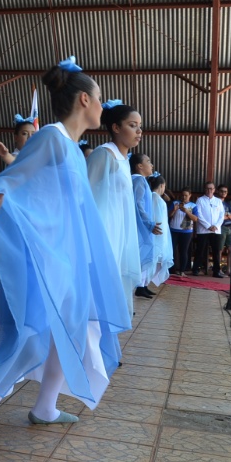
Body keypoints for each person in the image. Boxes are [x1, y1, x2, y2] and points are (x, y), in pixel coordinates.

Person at [0, 57, 130, 462]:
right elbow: (16, 179)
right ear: (85, 100)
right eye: (99, 98)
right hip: (45, 263)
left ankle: (45, 407)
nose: (103, 105)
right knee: (26, 343)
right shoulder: (51, 136)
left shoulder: (74, 151)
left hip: (66, 263)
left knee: (72, 333)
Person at [86, 100, 142, 320]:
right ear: (116, 128)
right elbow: (85, 193)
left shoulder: (124, 159)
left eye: (139, 126)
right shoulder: (104, 154)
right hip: (104, 232)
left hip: (120, 231)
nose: (138, 131)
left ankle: (106, 344)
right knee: (100, 286)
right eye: (132, 125)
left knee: (115, 285)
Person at [129, 153, 161, 299]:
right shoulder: (139, 181)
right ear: (139, 166)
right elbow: (138, 205)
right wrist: (149, 224)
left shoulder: (141, 181)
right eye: (148, 161)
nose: (151, 165)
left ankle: (141, 286)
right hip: (139, 227)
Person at [147, 173, 173, 288]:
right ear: (162, 185)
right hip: (158, 232)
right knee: (153, 258)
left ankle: (145, 284)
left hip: (160, 231)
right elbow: (157, 217)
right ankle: (143, 284)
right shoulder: (155, 198)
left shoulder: (156, 198)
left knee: (155, 259)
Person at [195, 182, 225, 277]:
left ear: (214, 190)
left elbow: (221, 215)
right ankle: (196, 268)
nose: (209, 190)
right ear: (205, 189)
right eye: (207, 188)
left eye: (211, 188)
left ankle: (216, 271)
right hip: (203, 230)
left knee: (216, 251)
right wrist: (208, 226)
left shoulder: (218, 201)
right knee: (200, 250)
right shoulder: (200, 200)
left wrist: (216, 225)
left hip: (216, 230)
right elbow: (198, 214)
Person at [169, 187, 198, 276]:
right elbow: (169, 215)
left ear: (190, 195)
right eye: (182, 195)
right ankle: (171, 270)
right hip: (174, 230)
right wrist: (174, 209)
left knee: (184, 251)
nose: (184, 197)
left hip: (186, 232)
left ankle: (182, 270)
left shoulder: (193, 205)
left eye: (186, 195)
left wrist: (186, 211)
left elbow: (195, 219)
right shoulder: (175, 203)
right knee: (172, 250)